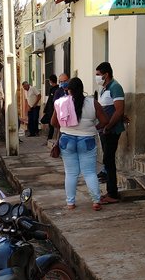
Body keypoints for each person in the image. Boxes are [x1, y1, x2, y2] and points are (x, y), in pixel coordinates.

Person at [51, 77, 109, 211]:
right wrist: (92, 128)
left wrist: (66, 126)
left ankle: (70, 203)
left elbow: (54, 122)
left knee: (71, 173)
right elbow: (105, 120)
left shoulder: (61, 102)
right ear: (82, 89)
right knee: (89, 172)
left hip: (67, 140)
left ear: (68, 90)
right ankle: (95, 201)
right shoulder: (92, 102)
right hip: (87, 140)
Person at [95, 61, 125, 203]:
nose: (97, 77)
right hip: (104, 130)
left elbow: (119, 110)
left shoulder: (115, 87)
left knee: (109, 160)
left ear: (106, 74)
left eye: (98, 75)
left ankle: (112, 194)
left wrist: (108, 126)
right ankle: (110, 192)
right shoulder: (104, 88)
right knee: (107, 160)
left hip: (111, 131)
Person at [40, 75, 58, 140]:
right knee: (44, 121)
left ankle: (49, 138)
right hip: (50, 109)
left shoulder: (57, 89)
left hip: (54, 109)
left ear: (51, 81)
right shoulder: (51, 89)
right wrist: (45, 109)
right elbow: (49, 100)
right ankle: (49, 138)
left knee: (52, 125)